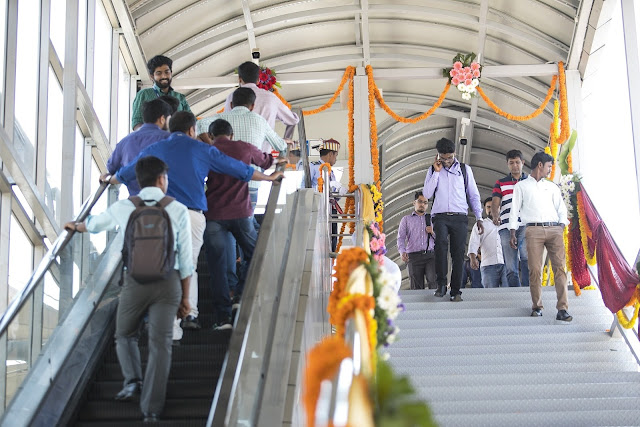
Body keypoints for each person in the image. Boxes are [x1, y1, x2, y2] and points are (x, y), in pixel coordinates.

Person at [107, 112, 284, 338]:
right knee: (188, 264)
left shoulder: (157, 149)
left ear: (172, 129)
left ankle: (167, 324)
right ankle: (189, 313)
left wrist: (112, 179)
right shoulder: (202, 149)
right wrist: (269, 178)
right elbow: (239, 169)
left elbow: (129, 170)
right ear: (192, 130)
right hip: (191, 215)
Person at [64, 156, 193, 422]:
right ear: (161, 179)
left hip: (134, 282)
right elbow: (187, 261)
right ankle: (151, 411)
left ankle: (133, 380)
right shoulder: (178, 209)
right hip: (168, 283)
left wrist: (78, 226)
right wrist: (185, 298)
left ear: (139, 180)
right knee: (160, 345)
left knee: (124, 334)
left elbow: (96, 224)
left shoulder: (125, 206)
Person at [203, 119, 280, 329]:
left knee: (217, 266)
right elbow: (266, 161)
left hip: (213, 215)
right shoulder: (243, 147)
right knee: (255, 254)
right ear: (232, 133)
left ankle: (222, 318)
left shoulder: (207, 150)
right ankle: (240, 296)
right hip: (241, 213)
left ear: (211, 135)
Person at [196, 88, 290, 210]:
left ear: (231, 104)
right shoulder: (259, 120)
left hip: (221, 184)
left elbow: (200, 124)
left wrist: (213, 147)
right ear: (252, 106)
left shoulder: (221, 118)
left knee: (219, 221)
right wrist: (284, 142)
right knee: (246, 223)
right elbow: (281, 146)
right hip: (251, 182)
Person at [509, 151, 572, 321]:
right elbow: (514, 211)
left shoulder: (552, 186)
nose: (550, 170)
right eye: (549, 167)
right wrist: (513, 232)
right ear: (539, 165)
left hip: (554, 230)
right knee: (534, 270)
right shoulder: (521, 186)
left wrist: (560, 226)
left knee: (559, 268)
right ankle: (537, 306)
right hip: (533, 230)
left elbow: (561, 209)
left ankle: (562, 309)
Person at [423, 137, 483, 301]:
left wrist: (479, 217)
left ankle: (456, 290)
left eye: (450, 157)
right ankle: (441, 285)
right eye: (444, 158)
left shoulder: (464, 170)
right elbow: (427, 194)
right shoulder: (432, 170)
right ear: (438, 155)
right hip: (440, 217)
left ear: (454, 154)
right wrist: (436, 172)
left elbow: (473, 195)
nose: (447, 161)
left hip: (459, 217)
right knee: (440, 247)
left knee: (458, 253)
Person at [107, 99, 171, 195]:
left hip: (136, 203)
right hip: (167, 202)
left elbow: (111, 167)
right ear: (162, 119)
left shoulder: (125, 141)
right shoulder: (169, 139)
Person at [223, 61, 299, 130]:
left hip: (238, 144)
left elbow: (226, 122)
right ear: (258, 80)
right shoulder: (270, 97)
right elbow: (292, 120)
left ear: (239, 79)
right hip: (265, 145)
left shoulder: (231, 97)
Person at [492, 149, 529, 287]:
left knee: (527, 259)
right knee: (510, 265)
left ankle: (529, 292)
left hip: (526, 224)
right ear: (507, 164)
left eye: (517, 162)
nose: (515, 166)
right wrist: (496, 215)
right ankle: (516, 293)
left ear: (523, 163)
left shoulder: (530, 181)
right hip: (506, 226)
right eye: (511, 163)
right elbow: (496, 203)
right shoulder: (500, 183)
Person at [131, 55, 191, 130]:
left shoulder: (180, 97)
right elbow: (136, 122)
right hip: (152, 140)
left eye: (167, 72)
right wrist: (151, 135)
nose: (164, 76)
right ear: (152, 77)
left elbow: (191, 121)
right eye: (159, 73)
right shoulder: (144, 94)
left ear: (171, 73)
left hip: (175, 139)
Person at [309, 139, 348, 251]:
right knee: (321, 242)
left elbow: (333, 196)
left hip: (331, 210)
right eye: (335, 155)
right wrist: (325, 187)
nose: (335, 159)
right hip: (319, 208)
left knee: (333, 241)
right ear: (330, 154)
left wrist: (340, 193)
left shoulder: (332, 172)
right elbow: (305, 188)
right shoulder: (313, 166)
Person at [397, 192, 436, 290]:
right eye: (420, 201)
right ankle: (419, 306)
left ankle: (436, 305)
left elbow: (441, 239)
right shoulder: (406, 220)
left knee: (433, 281)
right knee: (416, 287)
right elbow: (401, 238)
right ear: (414, 203)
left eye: (425, 203)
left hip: (430, 256)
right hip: (413, 257)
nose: (422, 204)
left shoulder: (432, 219)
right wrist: (402, 252)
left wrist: (433, 232)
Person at [468, 197, 508, 288]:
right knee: (491, 296)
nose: (491, 209)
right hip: (488, 266)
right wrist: (473, 258)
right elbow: (473, 242)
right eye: (488, 207)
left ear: (499, 207)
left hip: (506, 264)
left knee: (507, 294)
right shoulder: (480, 225)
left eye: (494, 206)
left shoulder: (507, 223)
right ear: (485, 209)